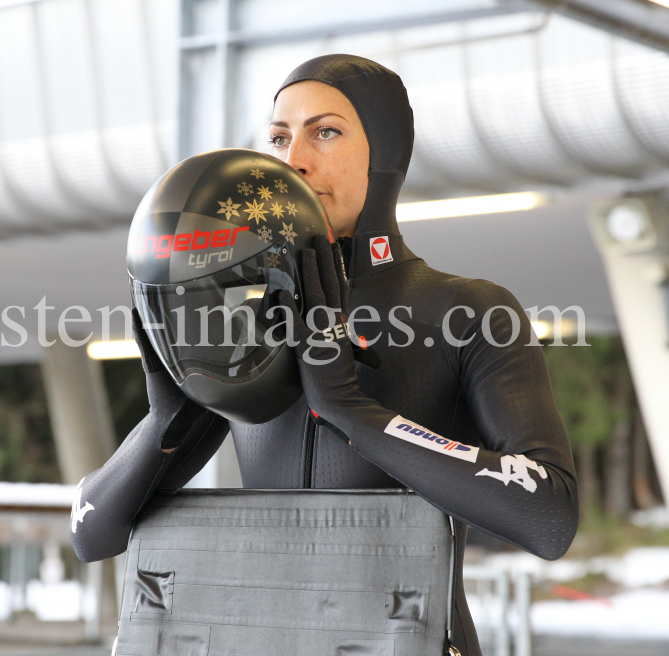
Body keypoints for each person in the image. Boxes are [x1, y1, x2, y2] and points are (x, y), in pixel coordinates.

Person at [71, 54, 578, 656]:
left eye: (326, 132)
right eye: (281, 137)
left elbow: (550, 516)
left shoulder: (468, 311)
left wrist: (350, 409)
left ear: (385, 157)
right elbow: (91, 533)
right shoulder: (252, 318)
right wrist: (163, 424)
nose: (295, 160)